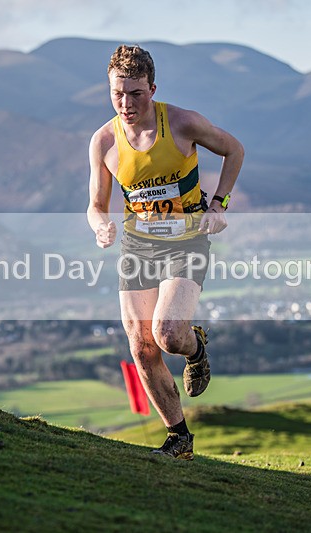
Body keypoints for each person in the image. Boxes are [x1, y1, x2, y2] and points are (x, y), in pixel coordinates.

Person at [87, 45, 244, 460]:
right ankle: (179, 439)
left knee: (169, 334)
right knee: (141, 345)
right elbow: (96, 205)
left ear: (152, 89)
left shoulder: (182, 122)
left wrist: (219, 206)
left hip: (187, 238)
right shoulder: (104, 141)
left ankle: (196, 349)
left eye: (136, 93)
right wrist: (100, 224)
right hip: (138, 244)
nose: (126, 103)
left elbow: (234, 150)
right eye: (117, 93)